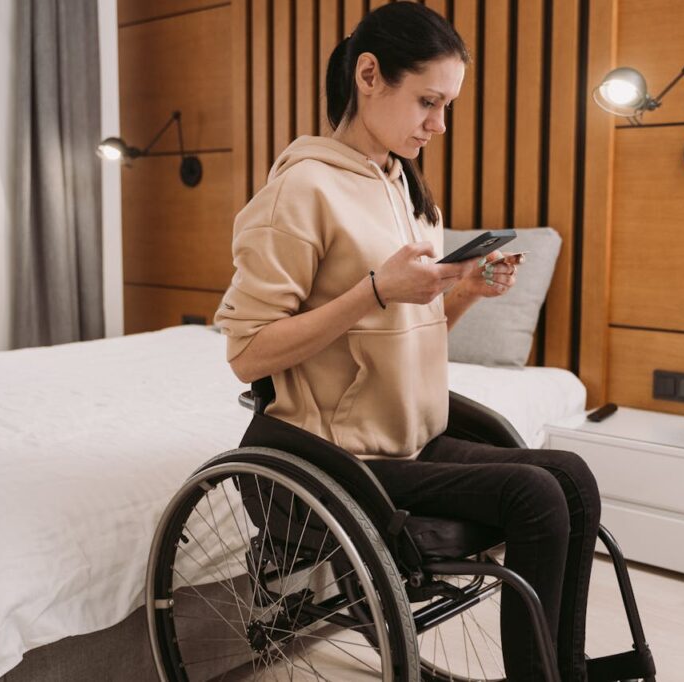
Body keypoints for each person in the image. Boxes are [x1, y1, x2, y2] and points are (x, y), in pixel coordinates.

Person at [215, 3, 600, 680]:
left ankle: (562, 667)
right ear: (369, 75)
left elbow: (401, 331)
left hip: (412, 433)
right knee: (535, 496)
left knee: (570, 475)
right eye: (428, 101)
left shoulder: (403, 187)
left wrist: (464, 294)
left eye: (447, 105)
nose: (439, 124)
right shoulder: (301, 190)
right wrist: (376, 289)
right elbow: (247, 353)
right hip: (343, 454)